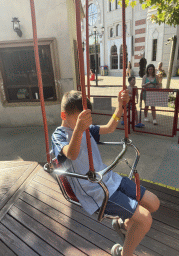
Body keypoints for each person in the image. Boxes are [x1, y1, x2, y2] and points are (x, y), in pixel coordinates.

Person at [52, 90, 160, 256]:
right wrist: (79, 129)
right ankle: (124, 253)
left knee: (154, 203)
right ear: (64, 115)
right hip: (97, 191)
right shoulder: (59, 135)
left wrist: (119, 107)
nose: (86, 124)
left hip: (110, 178)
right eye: (80, 119)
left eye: (87, 118)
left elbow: (109, 128)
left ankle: (123, 225)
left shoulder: (85, 129)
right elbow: (71, 154)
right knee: (145, 219)